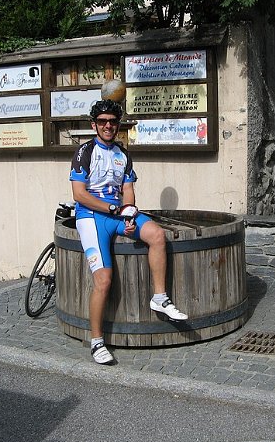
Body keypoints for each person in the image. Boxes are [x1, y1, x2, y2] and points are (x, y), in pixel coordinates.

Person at [69, 99, 188, 365]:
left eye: (112, 121)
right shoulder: (84, 152)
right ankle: (97, 341)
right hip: (91, 217)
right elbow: (79, 194)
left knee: (157, 235)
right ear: (94, 125)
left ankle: (159, 298)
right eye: (102, 122)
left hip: (117, 214)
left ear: (118, 125)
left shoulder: (123, 154)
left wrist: (131, 213)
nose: (108, 125)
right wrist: (114, 210)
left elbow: (128, 190)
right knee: (104, 280)